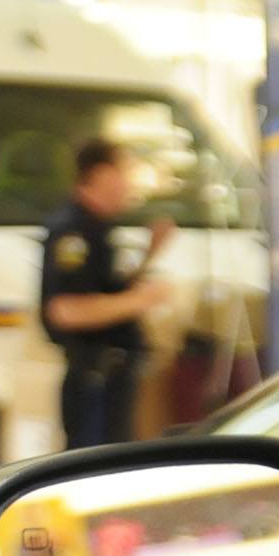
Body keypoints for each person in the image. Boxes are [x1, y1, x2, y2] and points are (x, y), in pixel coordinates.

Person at [41, 138, 171, 449]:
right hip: (94, 379)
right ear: (102, 175)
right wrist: (142, 300)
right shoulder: (72, 232)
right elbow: (66, 310)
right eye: (125, 172)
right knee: (95, 470)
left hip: (112, 378)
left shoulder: (98, 229)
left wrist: (149, 255)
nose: (130, 184)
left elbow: (104, 290)